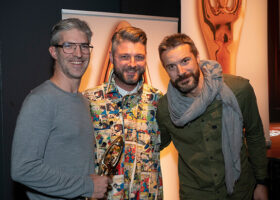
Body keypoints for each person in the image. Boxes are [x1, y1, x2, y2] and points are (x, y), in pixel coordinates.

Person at [157, 33, 268, 200]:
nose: (180, 72)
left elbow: (255, 135)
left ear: (197, 57)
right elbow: (154, 145)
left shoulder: (239, 90)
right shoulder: (165, 109)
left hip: (241, 191)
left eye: (185, 61)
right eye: (171, 66)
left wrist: (261, 182)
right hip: (196, 194)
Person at [11, 18, 111, 200]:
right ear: (54, 52)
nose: (78, 53)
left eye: (84, 46)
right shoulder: (40, 100)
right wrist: (87, 186)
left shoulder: (83, 101)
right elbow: (23, 169)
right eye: (68, 46)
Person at [83, 26, 163, 200]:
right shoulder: (89, 101)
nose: (132, 64)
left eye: (139, 57)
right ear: (112, 57)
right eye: (125, 57)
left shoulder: (158, 102)